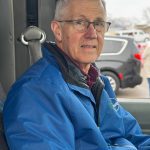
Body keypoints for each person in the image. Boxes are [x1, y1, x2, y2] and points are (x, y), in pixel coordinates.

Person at [3, 0, 150, 149]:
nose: (92, 33)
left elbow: (132, 135)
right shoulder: (34, 94)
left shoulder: (98, 82)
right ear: (58, 30)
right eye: (80, 22)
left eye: (98, 23)